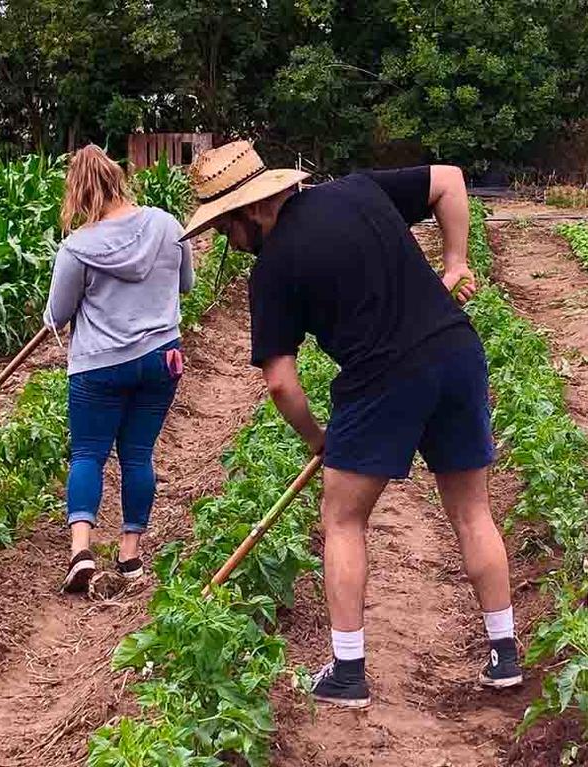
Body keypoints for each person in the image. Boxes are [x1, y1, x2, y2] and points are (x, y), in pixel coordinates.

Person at [181, 140, 521, 708]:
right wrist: (457, 260)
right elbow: (450, 180)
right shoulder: (360, 189)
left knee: (342, 517)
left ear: (253, 210)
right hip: (456, 351)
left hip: (382, 376)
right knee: (471, 510)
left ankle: (347, 670)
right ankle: (503, 653)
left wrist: (319, 439)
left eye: (224, 228)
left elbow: (281, 383)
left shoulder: (273, 270)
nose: (227, 242)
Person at [44, 144, 194, 593]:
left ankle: (81, 551)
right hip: (160, 359)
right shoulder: (168, 225)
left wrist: (56, 314)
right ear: (117, 179)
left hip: (99, 366)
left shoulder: (78, 247)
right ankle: (130, 557)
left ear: (80, 193)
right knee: (137, 455)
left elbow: (58, 312)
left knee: (88, 454)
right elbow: (185, 283)